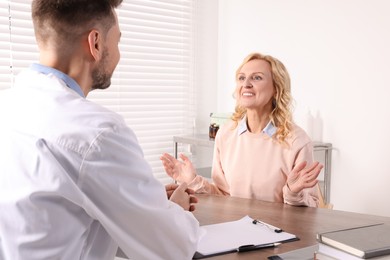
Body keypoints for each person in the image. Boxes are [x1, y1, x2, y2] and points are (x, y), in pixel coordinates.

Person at [0, 1, 200, 259]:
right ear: (95, 43)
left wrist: (136, 203)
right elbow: (173, 247)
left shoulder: (7, 106)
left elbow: (44, 213)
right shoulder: (98, 132)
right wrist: (177, 211)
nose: (118, 53)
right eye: (117, 41)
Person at [161, 52, 323, 207]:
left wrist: (293, 193)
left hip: (280, 232)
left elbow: (312, 208)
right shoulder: (226, 134)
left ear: (276, 89)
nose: (246, 84)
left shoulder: (296, 140)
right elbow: (222, 196)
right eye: (241, 78)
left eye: (257, 77)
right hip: (234, 228)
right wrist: (192, 180)